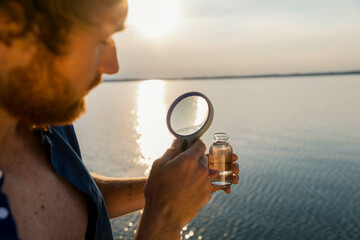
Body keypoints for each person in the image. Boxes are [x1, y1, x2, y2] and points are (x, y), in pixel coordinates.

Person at [0, 0, 240, 239]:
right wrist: (164, 219)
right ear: (11, 27)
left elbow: (70, 194)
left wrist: (169, 186)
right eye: (102, 39)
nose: (113, 66)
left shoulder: (45, 117)